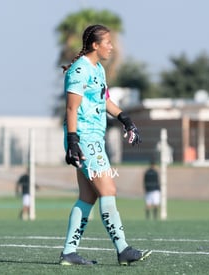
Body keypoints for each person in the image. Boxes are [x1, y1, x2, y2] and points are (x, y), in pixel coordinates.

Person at [59, 24, 152, 266]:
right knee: (108, 190)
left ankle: (69, 252)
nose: (111, 47)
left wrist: (126, 119)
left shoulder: (98, 69)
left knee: (88, 197)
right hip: (84, 139)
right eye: (107, 42)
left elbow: (106, 101)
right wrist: (72, 141)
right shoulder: (79, 71)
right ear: (94, 45)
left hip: (94, 139)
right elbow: (71, 108)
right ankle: (122, 249)